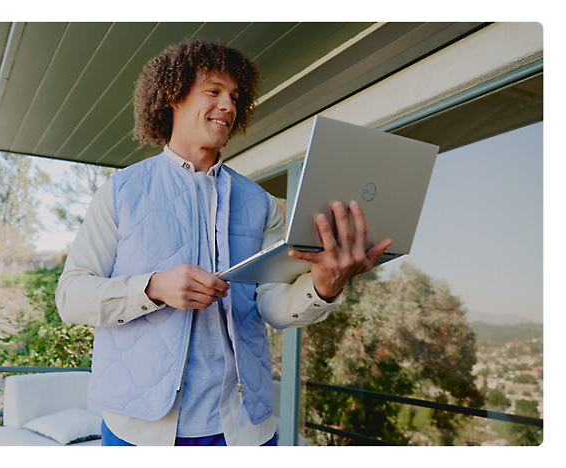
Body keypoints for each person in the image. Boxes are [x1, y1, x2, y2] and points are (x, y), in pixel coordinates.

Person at [55, 38, 392, 446]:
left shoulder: (261, 203)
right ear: (172, 96)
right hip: (137, 429)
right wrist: (153, 287)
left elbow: (273, 306)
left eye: (234, 96)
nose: (229, 106)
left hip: (242, 429)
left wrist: (325, 285)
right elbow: (71, 296)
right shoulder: (120, 191)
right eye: (213, 91)